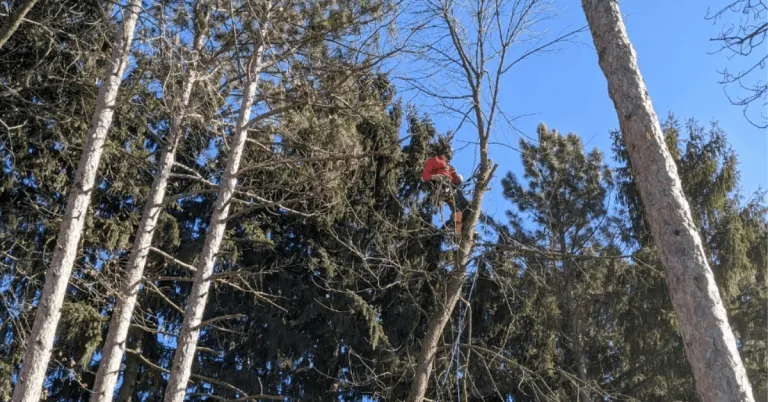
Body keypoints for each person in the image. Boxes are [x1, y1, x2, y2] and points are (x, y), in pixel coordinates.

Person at [421, 144, 470, 235]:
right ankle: (459, 231)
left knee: (466, 206)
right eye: (449, 152)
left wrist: (459, 179)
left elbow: (456, 180)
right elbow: (425, 176)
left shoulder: (450, 167)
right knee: (456, 207)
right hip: (442, 186)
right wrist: (434, 177)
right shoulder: (434, 160)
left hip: (452, 188)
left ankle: (465, 228)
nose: (450, 154)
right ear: (445, 152)